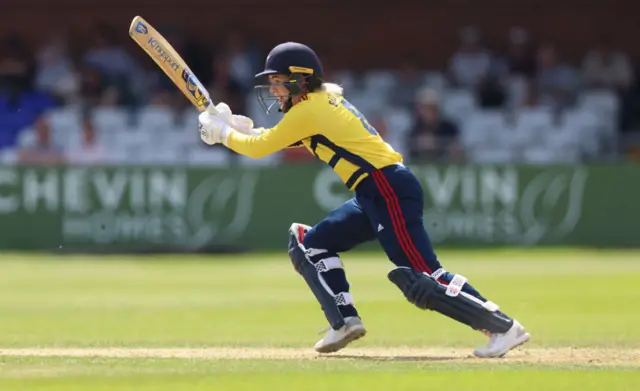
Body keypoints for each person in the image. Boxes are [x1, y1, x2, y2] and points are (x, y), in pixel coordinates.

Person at [197, 42, 530, 358]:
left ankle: (503, 326)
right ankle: (344, 323)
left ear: (300, 79)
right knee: (310, 245)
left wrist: (223, 134)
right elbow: (279, 139)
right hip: (374, 191)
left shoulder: (309, 110)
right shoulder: (321, 102)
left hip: (387, 187)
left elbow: (259, 149)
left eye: (279, 82)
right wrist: (242, 129)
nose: (273, 90)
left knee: (423, 277)